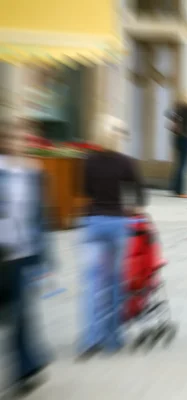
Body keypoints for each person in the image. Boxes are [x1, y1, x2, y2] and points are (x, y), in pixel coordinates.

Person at [79, 115, 146, 359]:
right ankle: (113, 338)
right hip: (118, 224)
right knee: (116, 281)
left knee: (94, 282)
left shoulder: (88, 162)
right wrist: (132, 209)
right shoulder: (126, 162)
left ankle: (90, 338)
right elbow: (140, 195)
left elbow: (85, 191)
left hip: (93, 221)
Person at [0, 119, 52, 395]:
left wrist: (45, 258)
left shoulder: (33, 174)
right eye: (15, 137)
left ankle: (25, 369)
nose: (20, 142)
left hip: (21, 254)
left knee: (20, 314)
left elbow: (41, 219)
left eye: (24, 137)